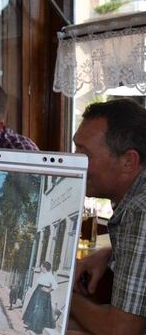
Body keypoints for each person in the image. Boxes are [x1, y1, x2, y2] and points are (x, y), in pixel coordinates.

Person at [69, 98, 146, 334]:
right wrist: (109, 253)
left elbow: (120, 330)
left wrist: (61, 290)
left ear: (128, 161)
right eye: (75, 149)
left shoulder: (139, 210)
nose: (74, 161)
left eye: (85, 154)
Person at [22, 262, 58, 334]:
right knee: (34, 308)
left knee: (39, 311)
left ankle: (36, 328)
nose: (40, 267)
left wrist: (48, 290)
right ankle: (32, 326)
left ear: (44, 267)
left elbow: (55, 285)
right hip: (38, 292)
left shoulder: (50, 275)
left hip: (43, 295)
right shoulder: (42, 274)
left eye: (41, 266)